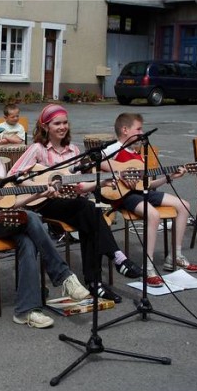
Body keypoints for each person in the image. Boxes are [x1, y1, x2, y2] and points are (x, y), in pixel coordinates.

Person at [0, 118, 90, 329]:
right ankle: (63, 276)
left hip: (6, 220)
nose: (0, 141)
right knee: (31, 218)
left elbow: (10, 202)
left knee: (27, 238)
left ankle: (25, 311)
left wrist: (39, 193)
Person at [9, 104, 142, 303]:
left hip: (71, 203)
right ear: (45, 126)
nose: (62, 127)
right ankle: (115, 259)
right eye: (57, 123)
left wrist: (101, 182)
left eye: (65, 123)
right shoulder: (37, 149)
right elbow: (13, 175)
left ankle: (95, 282)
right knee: (88, 209)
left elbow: (78, 186)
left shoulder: (74, 150)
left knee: (89, 217)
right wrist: (41, 186)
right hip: (44, 202)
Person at [101, 112, 197, 287]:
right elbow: (95, 161)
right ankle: (148, 266)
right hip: (124, 195)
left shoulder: (137, 154)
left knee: (184, 205)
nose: (142, 132)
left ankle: (174, 256)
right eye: (138, 128)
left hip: (141, 192)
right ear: (125, 130)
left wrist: (169, 177)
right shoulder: (115, 148)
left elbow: (146, 184)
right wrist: (120, 173)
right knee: (153, 215)